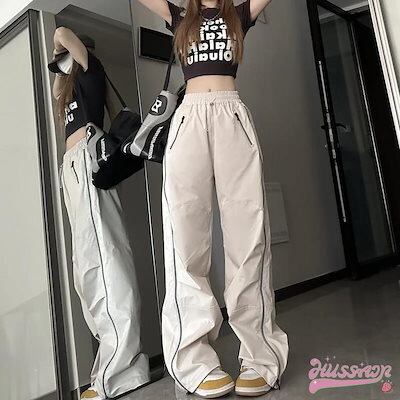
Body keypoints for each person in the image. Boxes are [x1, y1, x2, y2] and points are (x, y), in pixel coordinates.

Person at [136, 0, 289, 397]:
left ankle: (260, 356)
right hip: (188, 118)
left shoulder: (237, 14)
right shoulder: (178, 16)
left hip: (231, 114)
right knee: (184, 238)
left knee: (249, 237)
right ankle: (192, 360)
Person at [49, 27, 150, 400]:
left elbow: (61, 32)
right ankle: (118, 366)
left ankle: (120, 370)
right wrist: (61, 67)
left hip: (86, 160)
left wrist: (63, 49)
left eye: (65, 57)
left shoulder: (92, 70)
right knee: (87, 270)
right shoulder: (70, 89)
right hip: (73, 169)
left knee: (105, 264)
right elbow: (57, 88)